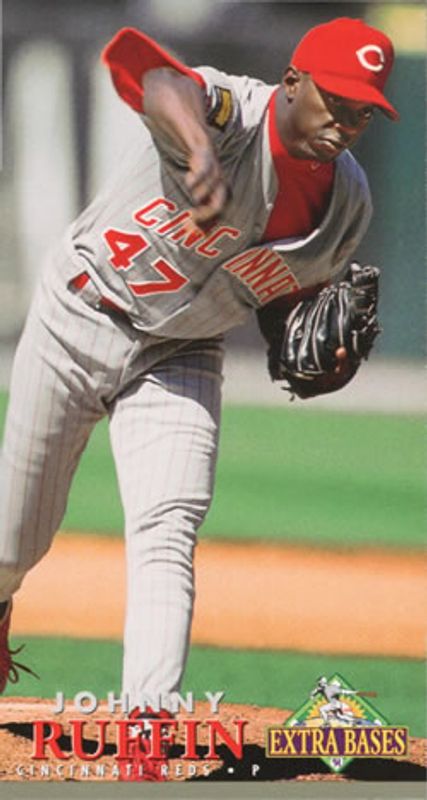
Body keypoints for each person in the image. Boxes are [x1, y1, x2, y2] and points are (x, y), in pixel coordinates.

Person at [0, 16, 397, 780]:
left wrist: (308, 346)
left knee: (168, 525)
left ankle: (147, 727)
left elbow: (283, 299)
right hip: (78, 316)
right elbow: (148, 73)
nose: (345, 123)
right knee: (12, 549)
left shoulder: (344, 204)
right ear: (291, 83)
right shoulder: (228, 113)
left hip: (180, 350)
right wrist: (199, 147)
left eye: (362, 112)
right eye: (335, 100)